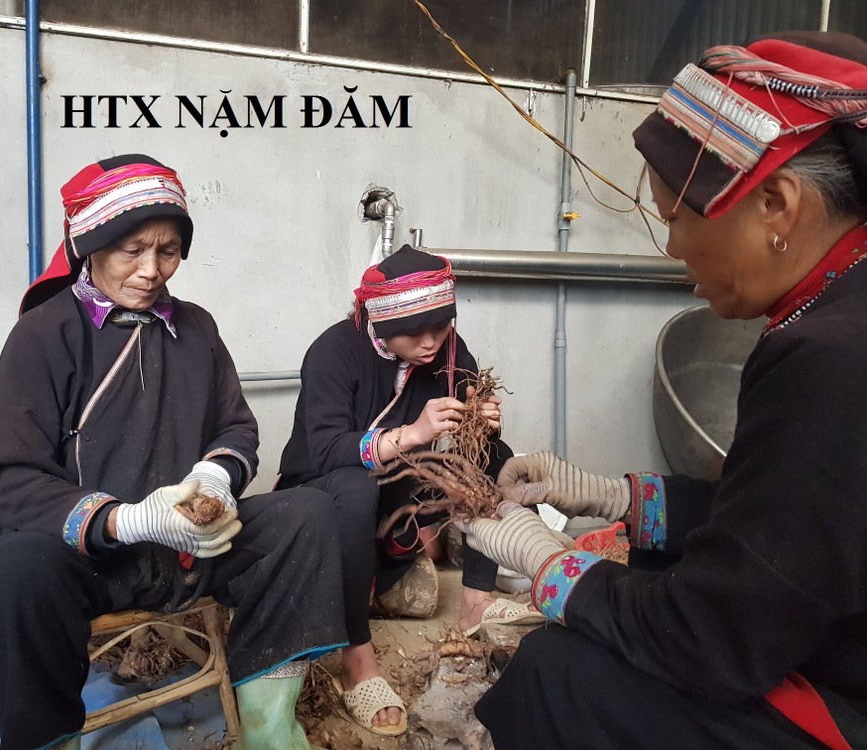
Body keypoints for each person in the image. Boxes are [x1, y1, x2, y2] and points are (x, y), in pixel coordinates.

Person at [458, 33, 867, 749]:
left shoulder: (831, 355)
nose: (672, 247)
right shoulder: (834, 304)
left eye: (675, 216)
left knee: (562, 672)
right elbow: (791, 528)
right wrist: (617, 497)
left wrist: (553, 565)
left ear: (777, 204)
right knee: (653, 561)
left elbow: (716, 633)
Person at [0, 154, 347, 750]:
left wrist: (213, 477)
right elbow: (13, 476)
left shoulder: (197, 328)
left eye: (169, 250)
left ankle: (268, 726)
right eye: (132, 249)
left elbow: (237, 427)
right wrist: (128, 518)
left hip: (188, 547)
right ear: (92, 247)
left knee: (307, 514)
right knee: (18, 570)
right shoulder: (44, 334)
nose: (152, 270)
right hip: (89, 558)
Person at [277, 244, 540, 736]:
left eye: (440, 327)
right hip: (320, 490)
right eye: (414, 332)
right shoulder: (333, 351)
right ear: (379, 323)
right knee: (356, 487)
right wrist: (414, 434)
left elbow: (473, 442)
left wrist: (484, 427)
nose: (430, 343)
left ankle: (475, 603)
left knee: (494, 460)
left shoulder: (451, 349)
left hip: (393, 490)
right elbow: (328, 449)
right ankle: (358, 659)